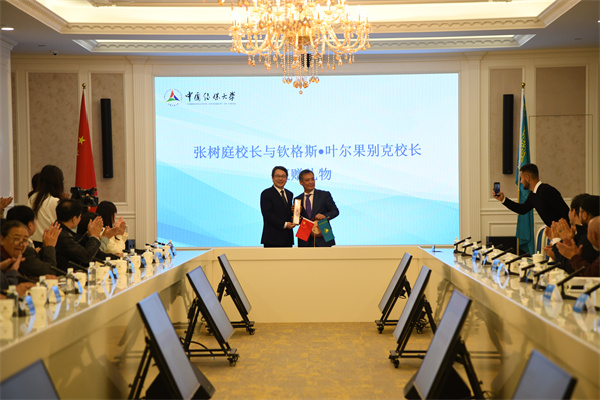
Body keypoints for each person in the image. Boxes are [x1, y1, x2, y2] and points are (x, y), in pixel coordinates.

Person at [493, 163, 569, 228]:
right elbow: (522, 209)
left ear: (527, 178)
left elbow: (566, 213)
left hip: (564, 233)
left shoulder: (547, 191)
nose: (521, 182)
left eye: (521, 178)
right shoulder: (533, 194)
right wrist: (503, 199)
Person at [5, 205, 62, 277]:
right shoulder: (22, 249)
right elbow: (49, 272)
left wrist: (44, 247)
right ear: (30, 225)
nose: (20, 243)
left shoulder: (27, 244)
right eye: (16, 239)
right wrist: (49, 246)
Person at [54, 199, 104, 271]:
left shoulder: (59, 228)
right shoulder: (62, 235)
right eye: (80, 216)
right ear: (74, 219)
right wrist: (94, 236)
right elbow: (85, 257)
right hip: (63, 274)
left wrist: (88, 234)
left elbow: (77, 248)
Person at [294, 169, 339, 247]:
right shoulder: (297, 199)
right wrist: (295, 216)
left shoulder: (324, 195)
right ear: (301, 182)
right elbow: (297, 220)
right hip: (304, 236)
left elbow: (335, 211)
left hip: (323, 233)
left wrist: (324, 216)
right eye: (307, 180)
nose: (311, 182)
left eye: (312, 179)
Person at [27, 165, 65, 244]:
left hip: (32, 243)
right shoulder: (54, 201)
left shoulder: (32, 198)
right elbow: (63, 226)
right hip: (49, 243)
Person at [260, 166, 296, 248]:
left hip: (287, 238)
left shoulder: (289, 194)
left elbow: (286, 213)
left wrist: (294, 213)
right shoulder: (266, 193)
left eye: (283, 176)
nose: (280, 179)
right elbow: (267, 214)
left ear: (286, 178)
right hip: (272, 239)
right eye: (277, 176)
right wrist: (284, 224)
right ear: (272, 178)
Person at [1, 220, 35, 294]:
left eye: (25, 240)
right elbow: (9, 289)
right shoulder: (3, 260)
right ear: (2, 239)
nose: (21, 244)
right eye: (16, 239)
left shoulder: (18, 258)